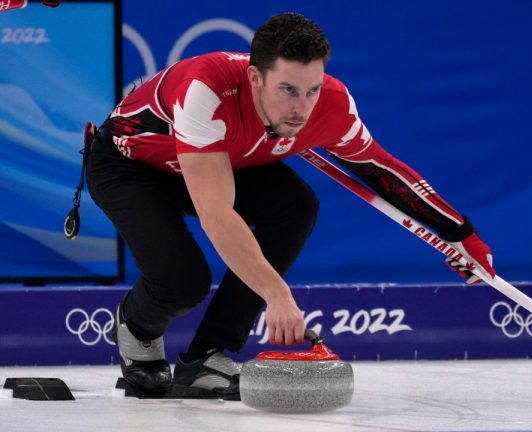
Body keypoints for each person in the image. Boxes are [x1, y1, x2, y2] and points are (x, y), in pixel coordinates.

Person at [85, 12, 495, 400]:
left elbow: (381, 171)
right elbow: (216, 214)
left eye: (312, 90)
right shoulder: (207, 89)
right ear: (255, 78)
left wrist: (459, 234)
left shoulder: (332, 104)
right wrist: (277, 295)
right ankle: (138, 329)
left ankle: (206, 357)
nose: (302, 107)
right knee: (182, 282)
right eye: (288, 91)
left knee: (296, 207)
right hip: (131, 167)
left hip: (224, 159)